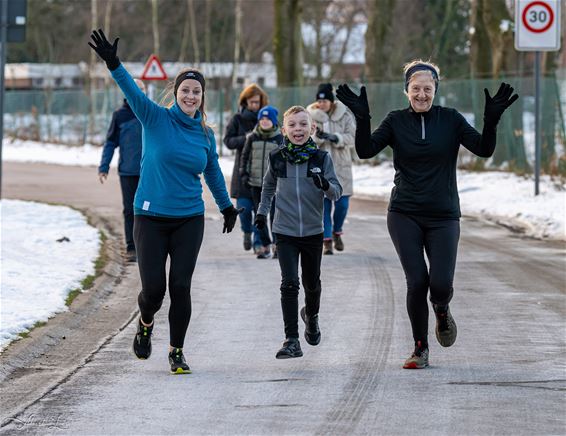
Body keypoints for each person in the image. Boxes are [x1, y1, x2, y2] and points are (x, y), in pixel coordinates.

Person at [336, 60, 518, 369]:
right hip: (404, 212)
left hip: (444, 214)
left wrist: (492, 119)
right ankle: (420, 348)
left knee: (441, 284)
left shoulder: (451, 120)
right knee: (417, 281)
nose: (422, 94)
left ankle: (442, 310)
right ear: (406, 90)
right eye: (416, 88)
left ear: (436, 90)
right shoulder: (395, 121)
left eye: (428, 89)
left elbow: (484, 150)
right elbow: (366, 150)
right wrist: (362, 116)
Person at [89, 29, 241, 375]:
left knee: (181, 286)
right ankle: (145, 322)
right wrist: (114, 63)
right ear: (176, 92)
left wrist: (226, 206)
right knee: (154, 290)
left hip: (189, 218)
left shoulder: (205, 133)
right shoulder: (154, 117)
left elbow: (213, 171)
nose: (190, 96)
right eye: (185, 90)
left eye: (196, 91)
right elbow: (129, 89)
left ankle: (176, 352)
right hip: (150, 218)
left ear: (203, 97)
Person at [255, 105, 342, 359]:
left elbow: (336, 191)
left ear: (312, 128)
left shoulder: (321, 159)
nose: (298, 129)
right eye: (292, 125)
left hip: (314, 231)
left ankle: (311, 316)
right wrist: (261, 213)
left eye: (303, 124)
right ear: (284, 130)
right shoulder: (277, 158)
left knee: (311, 284)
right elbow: (268, 187)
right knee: (289, 283)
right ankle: (291, 339)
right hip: (285, 231)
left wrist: (324, 184)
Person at [98, 78, 146, 263]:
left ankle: (147, 247)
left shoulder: (149, 113)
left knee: (149, 211)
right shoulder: (119, 115)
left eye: (142, 89)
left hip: (150, 172)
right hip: (127, 171)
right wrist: (104, 167)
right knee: (130, 210)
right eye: (135, 89)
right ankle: (131, 247)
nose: (139, 92)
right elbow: (110, 142)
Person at [307, 83, 355, 255]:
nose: (321, 104)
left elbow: (352, 137)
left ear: (331, 101)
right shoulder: (310, 116)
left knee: (342, 204)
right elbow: (305, 139)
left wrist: (335, 137)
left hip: (341, 166)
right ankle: (326, 240)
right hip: (320, 168)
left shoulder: (345, 115)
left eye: (325, 100)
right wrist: (317, 138)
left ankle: (337, 231)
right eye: (319, 101)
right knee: (324, 206)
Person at [224, 84, 269, 254]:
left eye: (257, 102)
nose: (254, 105)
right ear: (245, 101)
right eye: (251, 102)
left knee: (259, 211)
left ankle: (258, 244)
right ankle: (246, 232)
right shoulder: (237, 119)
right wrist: (246, 138)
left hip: (262, 172)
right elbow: (228, 141)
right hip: (243, 171)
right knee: (243, 210)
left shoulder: (267, 118)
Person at [239, 105, 283, 259]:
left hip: (274, 186)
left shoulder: (279, 138)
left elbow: (284, 162)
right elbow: (244, 157)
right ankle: (265, 245)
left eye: (268, 119)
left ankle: (278, 245)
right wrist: (243, 174)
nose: (264, 122)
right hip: (256, 185)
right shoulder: (252, 137)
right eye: (262, 119)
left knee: (275, 217)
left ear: (273, 121)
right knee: (261, 217)